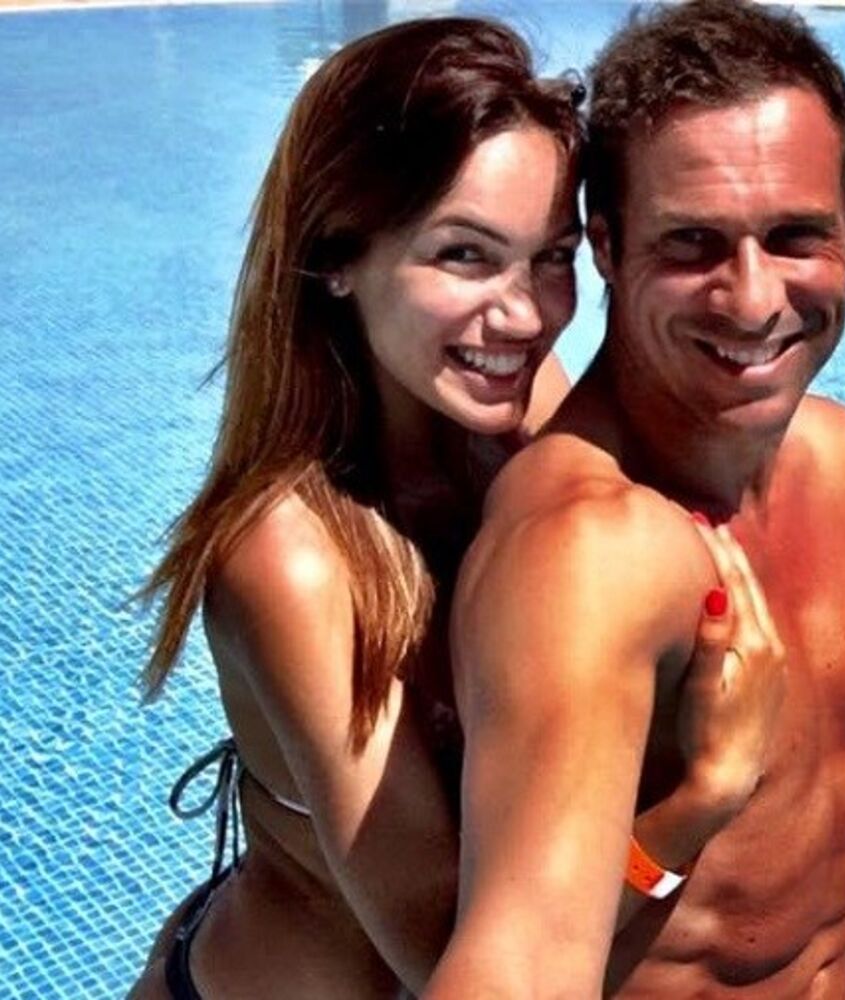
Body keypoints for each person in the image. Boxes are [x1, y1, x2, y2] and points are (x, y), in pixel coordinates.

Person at [128, 18, 790, 999]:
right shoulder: (291, 558)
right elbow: (447, 956)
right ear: (337, 254)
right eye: (465, 257)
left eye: (552, 257)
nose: (524, 317)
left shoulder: (522, 417)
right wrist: (703, 803)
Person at [427, 1, 845, 996]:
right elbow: (520, 960)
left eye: (795, 236)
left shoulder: (837, 461)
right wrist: (701, 801)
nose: (752, 299)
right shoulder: (592, 552)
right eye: (693, 245)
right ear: (607, 247)